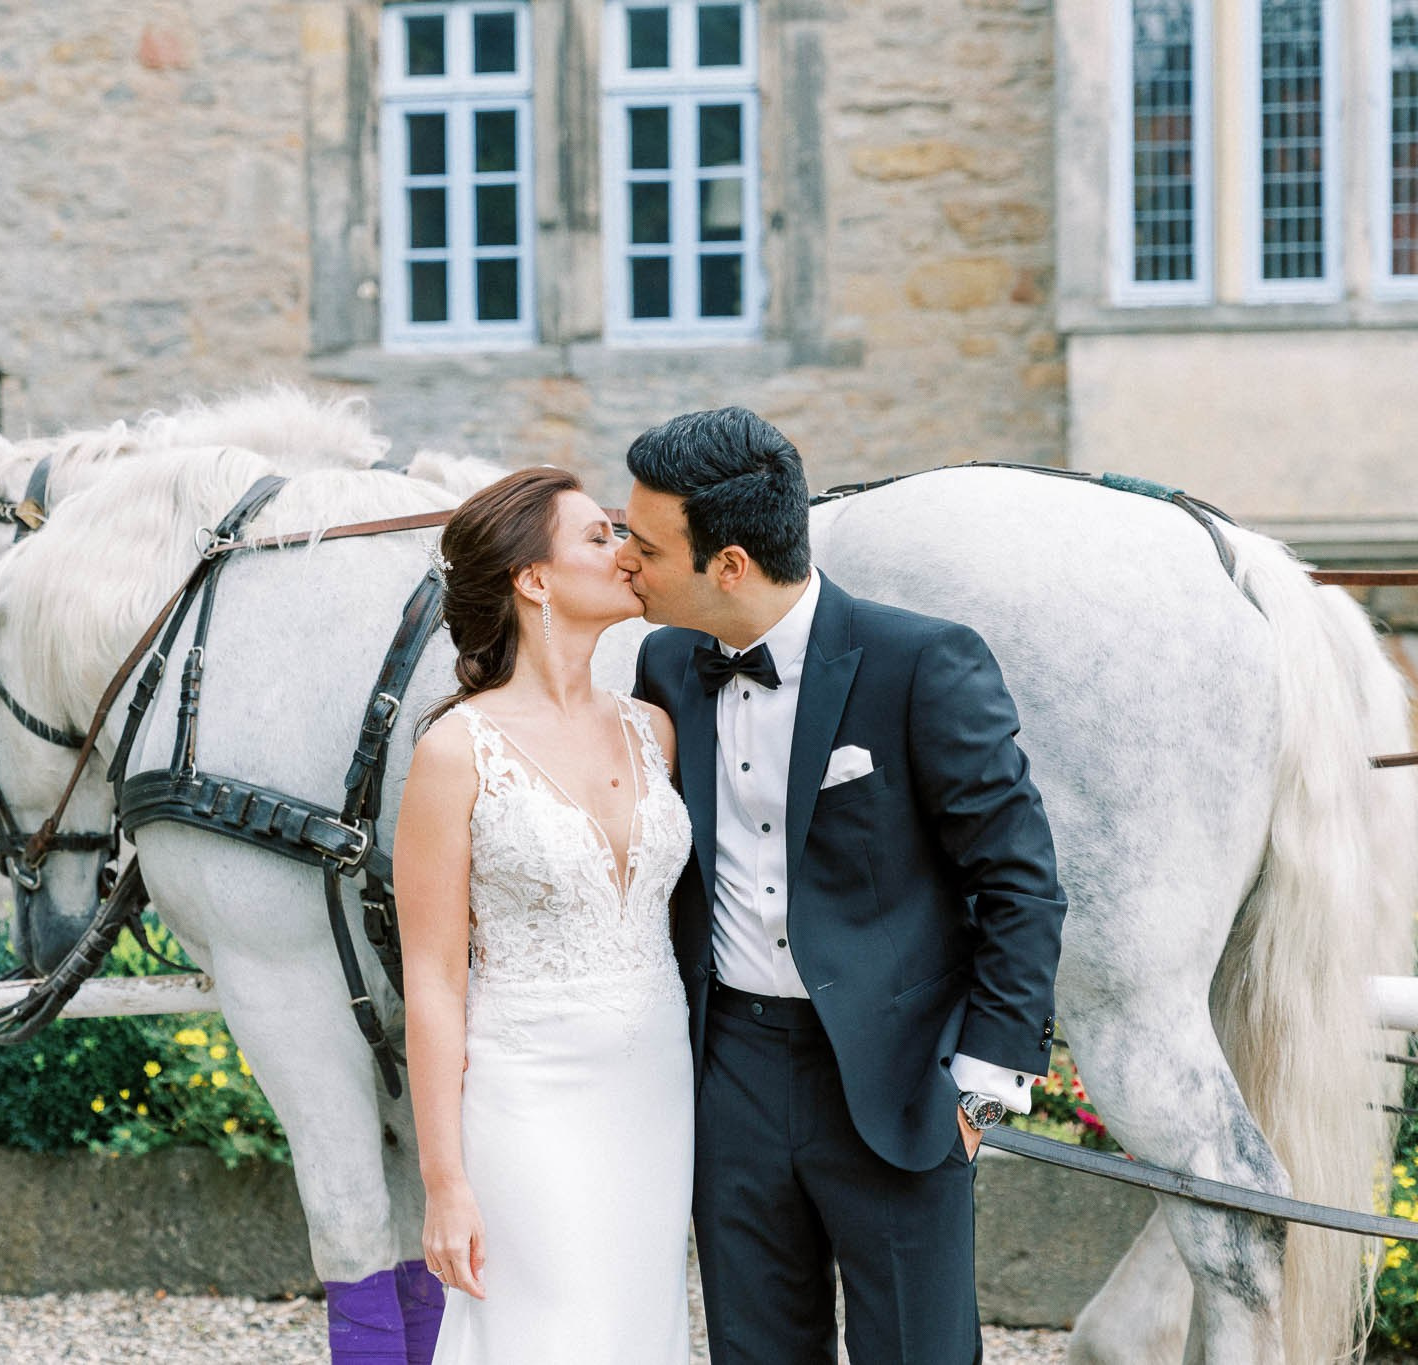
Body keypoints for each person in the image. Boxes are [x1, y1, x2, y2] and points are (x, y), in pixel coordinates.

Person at [619, 408, 1068, 1365]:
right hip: (729, 1071)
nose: (626, 562)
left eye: (644, 544)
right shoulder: (663, 663)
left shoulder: (922, 662)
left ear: (728, 564)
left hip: (901, 1082)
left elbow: (1020, 882)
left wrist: (982, 1094)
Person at [392, 466, 694, 1364]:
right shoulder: (456, 751)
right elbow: (434, 978)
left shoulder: (656, 729)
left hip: (653, 1085)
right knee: (546, 1331)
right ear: (533, 579)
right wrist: (445, 1183)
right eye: (600, 536)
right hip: (526, 1094)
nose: (627, 552)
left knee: (638, 1326)